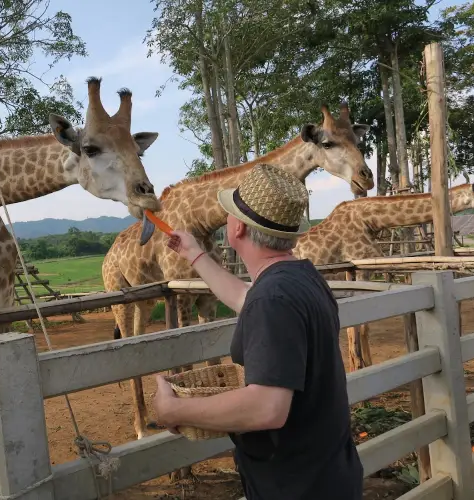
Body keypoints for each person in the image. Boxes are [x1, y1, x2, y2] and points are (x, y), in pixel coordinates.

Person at [151, 163, 363, 499]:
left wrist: (172, 411)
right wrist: (194, 254)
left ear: (237, 228)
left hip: (295, 486)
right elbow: (245, 298)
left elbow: (266, 408)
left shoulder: (273, 297)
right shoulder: (299, 278)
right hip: (326, 473)